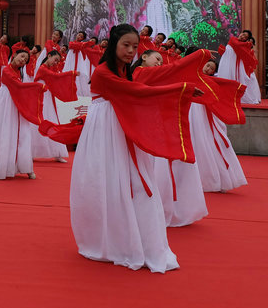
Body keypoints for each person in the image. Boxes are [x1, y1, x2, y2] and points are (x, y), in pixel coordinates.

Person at [70, 24, 199, 273]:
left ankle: (134, 237)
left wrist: (184, 86)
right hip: (105, 132)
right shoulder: (103, 72)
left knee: (133, 183)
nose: (131, 51)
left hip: (121, 125)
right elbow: (136, 91)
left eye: (134, 46)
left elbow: (146, 85)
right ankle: (111, 239)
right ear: (114, 44)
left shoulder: (124, 70)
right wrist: (180, 91)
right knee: (108, 182)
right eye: (125, 45)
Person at [132, 49, 208, 227]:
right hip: (146, 128)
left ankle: (164, 209)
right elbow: (172, 72)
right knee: (153, 169)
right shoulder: (139, 73)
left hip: (156, 125)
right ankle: (154, 210)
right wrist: (199, 55)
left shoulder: (150, 75)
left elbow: (167, 87)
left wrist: (185, 90)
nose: (159, 62)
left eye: (161, 60)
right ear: (144, 57)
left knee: (164, 169)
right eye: (156, 58)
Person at [0, 49, 43, 180]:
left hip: (18, 100)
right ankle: (5, 168)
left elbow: (20, 87)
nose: (22, 60)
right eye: (21, 57)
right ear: (14, 55)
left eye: (25, 60)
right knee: (7, 132)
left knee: (23, 133)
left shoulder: (21, 73)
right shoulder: (6, 70)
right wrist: (37, 87)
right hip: (8, 102)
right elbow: (18, 86)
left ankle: (26, 167)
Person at [33, 50, 74, 163]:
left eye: (57, 61)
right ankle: (33, 152)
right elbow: (55, 77)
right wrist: (72, 74)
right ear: (49, 56)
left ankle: (57, 152)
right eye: (55, 60)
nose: (55, 63)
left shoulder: (47, 69)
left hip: (47, 97)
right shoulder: (43, 68)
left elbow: (55, 77)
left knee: (51, 121)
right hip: (42, 97)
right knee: (42, 121)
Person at [216, 29, 261, 104]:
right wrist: (247, 44)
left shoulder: (242, 45)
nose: (243, 36)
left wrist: (249, 45)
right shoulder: (233, 39)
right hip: (227, 61)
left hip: (234, 63)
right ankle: (224, 96)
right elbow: (236, 44)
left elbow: (247, 54)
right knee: (225, 75)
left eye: (245, 37)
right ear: (240, 33)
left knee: (236, 78)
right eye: (243, 34)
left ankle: (234, 96)